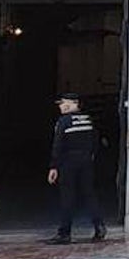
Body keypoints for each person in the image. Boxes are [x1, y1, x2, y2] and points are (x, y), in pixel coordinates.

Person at [44, 93, 106, 245]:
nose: (60, 106)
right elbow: (95, 140)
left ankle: (64, 233)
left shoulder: (64, 122)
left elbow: (58, 145)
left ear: (72, 104)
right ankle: (99, 226)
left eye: (62, 103)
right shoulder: (88, 120)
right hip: (86, 161)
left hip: (68, 162)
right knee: (89, 194)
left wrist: (53, 166)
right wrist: (91, 156)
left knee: (67, 197)